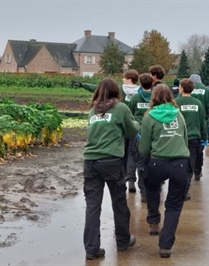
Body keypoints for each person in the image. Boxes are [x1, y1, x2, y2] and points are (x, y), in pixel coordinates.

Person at [83, 78, 139, 260]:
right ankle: (123, 241)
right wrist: (137, 124)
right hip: (111, 162)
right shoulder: (121, 108)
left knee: (93, 206)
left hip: (90, 161)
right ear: (117, 92)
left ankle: (92, 249)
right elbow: (131, 131)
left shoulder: (93, 110)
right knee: (119, 202)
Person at [138, 84, 190, 258]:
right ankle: (165, 245)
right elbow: (185, 139)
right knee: (174, 205)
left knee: (152, 190)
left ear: (154, 97)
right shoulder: (179, 114)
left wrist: (144, 159)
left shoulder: (148, 117)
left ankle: (153, 221)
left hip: (157, 163)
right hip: (180, 163)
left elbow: (144, 147)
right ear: (171, 96)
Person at [175, 78, 207, 200]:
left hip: (178, 138)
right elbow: (202, 122)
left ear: (181, 88)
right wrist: (204, 137)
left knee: (178, 164)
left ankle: (176, 189)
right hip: (193, 138)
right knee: (189, 166)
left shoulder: (175, 102)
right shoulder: (197, 103)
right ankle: (185, 191)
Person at [128, 73, 153, 201]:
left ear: (140, 84)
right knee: (149, 160)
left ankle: (133, 182)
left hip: (137, 132)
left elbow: (130, 114)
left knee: (135, 158)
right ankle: (148, 189)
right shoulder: (155, 97)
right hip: (152, 132)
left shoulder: (136, 98)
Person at [189, 74, 209, 180]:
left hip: (188, 123)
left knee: (188, 148)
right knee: (200, 149)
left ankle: (189, 169)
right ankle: (197, 170)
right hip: (202, 123)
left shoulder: (187, 88)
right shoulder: (206, 90)